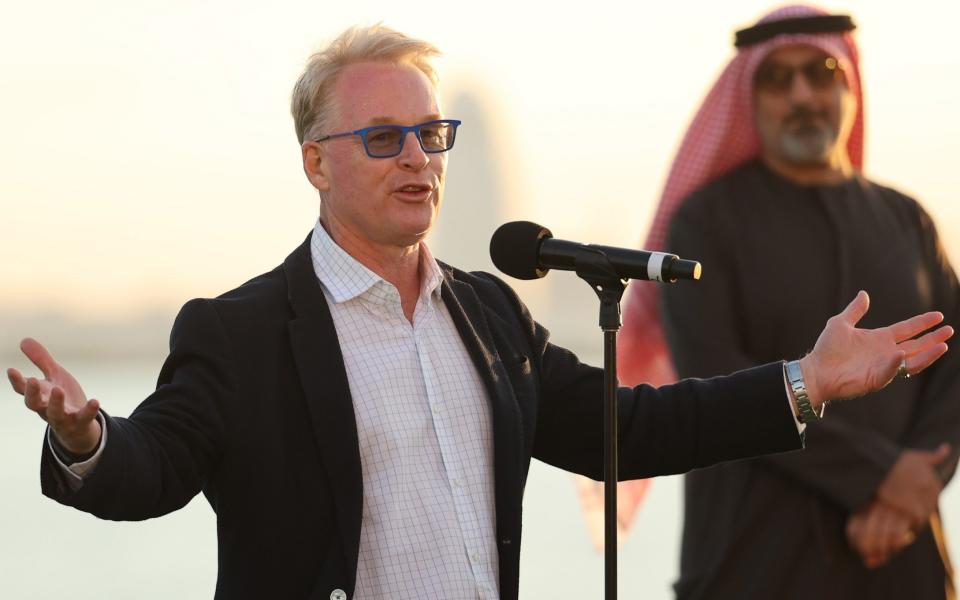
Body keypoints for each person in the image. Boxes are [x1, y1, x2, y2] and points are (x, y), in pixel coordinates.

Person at [7, 24, 953, 600]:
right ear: (316, 161)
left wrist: (807, 380)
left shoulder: (491, 315)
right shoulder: (240, 330)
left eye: (432, 134)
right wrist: (87, 439)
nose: (418, 157)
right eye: (384, 137)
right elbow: (152, 470)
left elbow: (631, 427)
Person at [619, 5, 960, 600]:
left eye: (821, 71)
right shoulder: (706, 223)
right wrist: (882, 479)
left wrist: (921, 484)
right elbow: (714, 376)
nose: (803, 94)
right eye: (778, 79)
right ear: (749, 99)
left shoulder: (906, 220)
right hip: (754, 560)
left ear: (849, 83)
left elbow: (953, 366)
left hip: (904, 563)